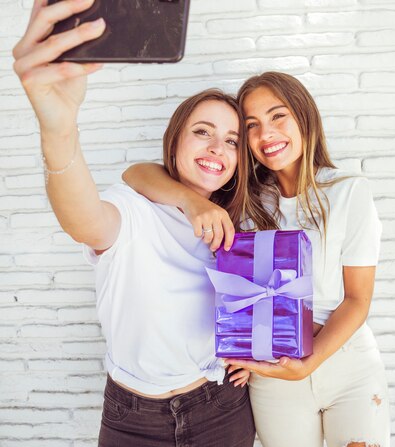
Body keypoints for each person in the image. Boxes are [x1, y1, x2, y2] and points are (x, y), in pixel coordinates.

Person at [12, 1, 255, 445]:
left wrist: (256, 352)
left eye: (232, 140)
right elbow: (87, 221)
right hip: (134, 417)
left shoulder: (238, 227)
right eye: (202, 131)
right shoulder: (134, 208)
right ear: (175, 141)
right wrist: (59, 128)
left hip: (221, 405)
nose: (218, 146)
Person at [123, 72, 391, 447]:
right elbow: (136, 173)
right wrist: (193, 201)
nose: (266, 134)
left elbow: (358, 300)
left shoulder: (349, 192)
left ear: (304, 117)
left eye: (278, 116)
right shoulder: (240, 200)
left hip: (348, 365)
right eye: (252, 125)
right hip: (270, 374)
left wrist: (309, 365)